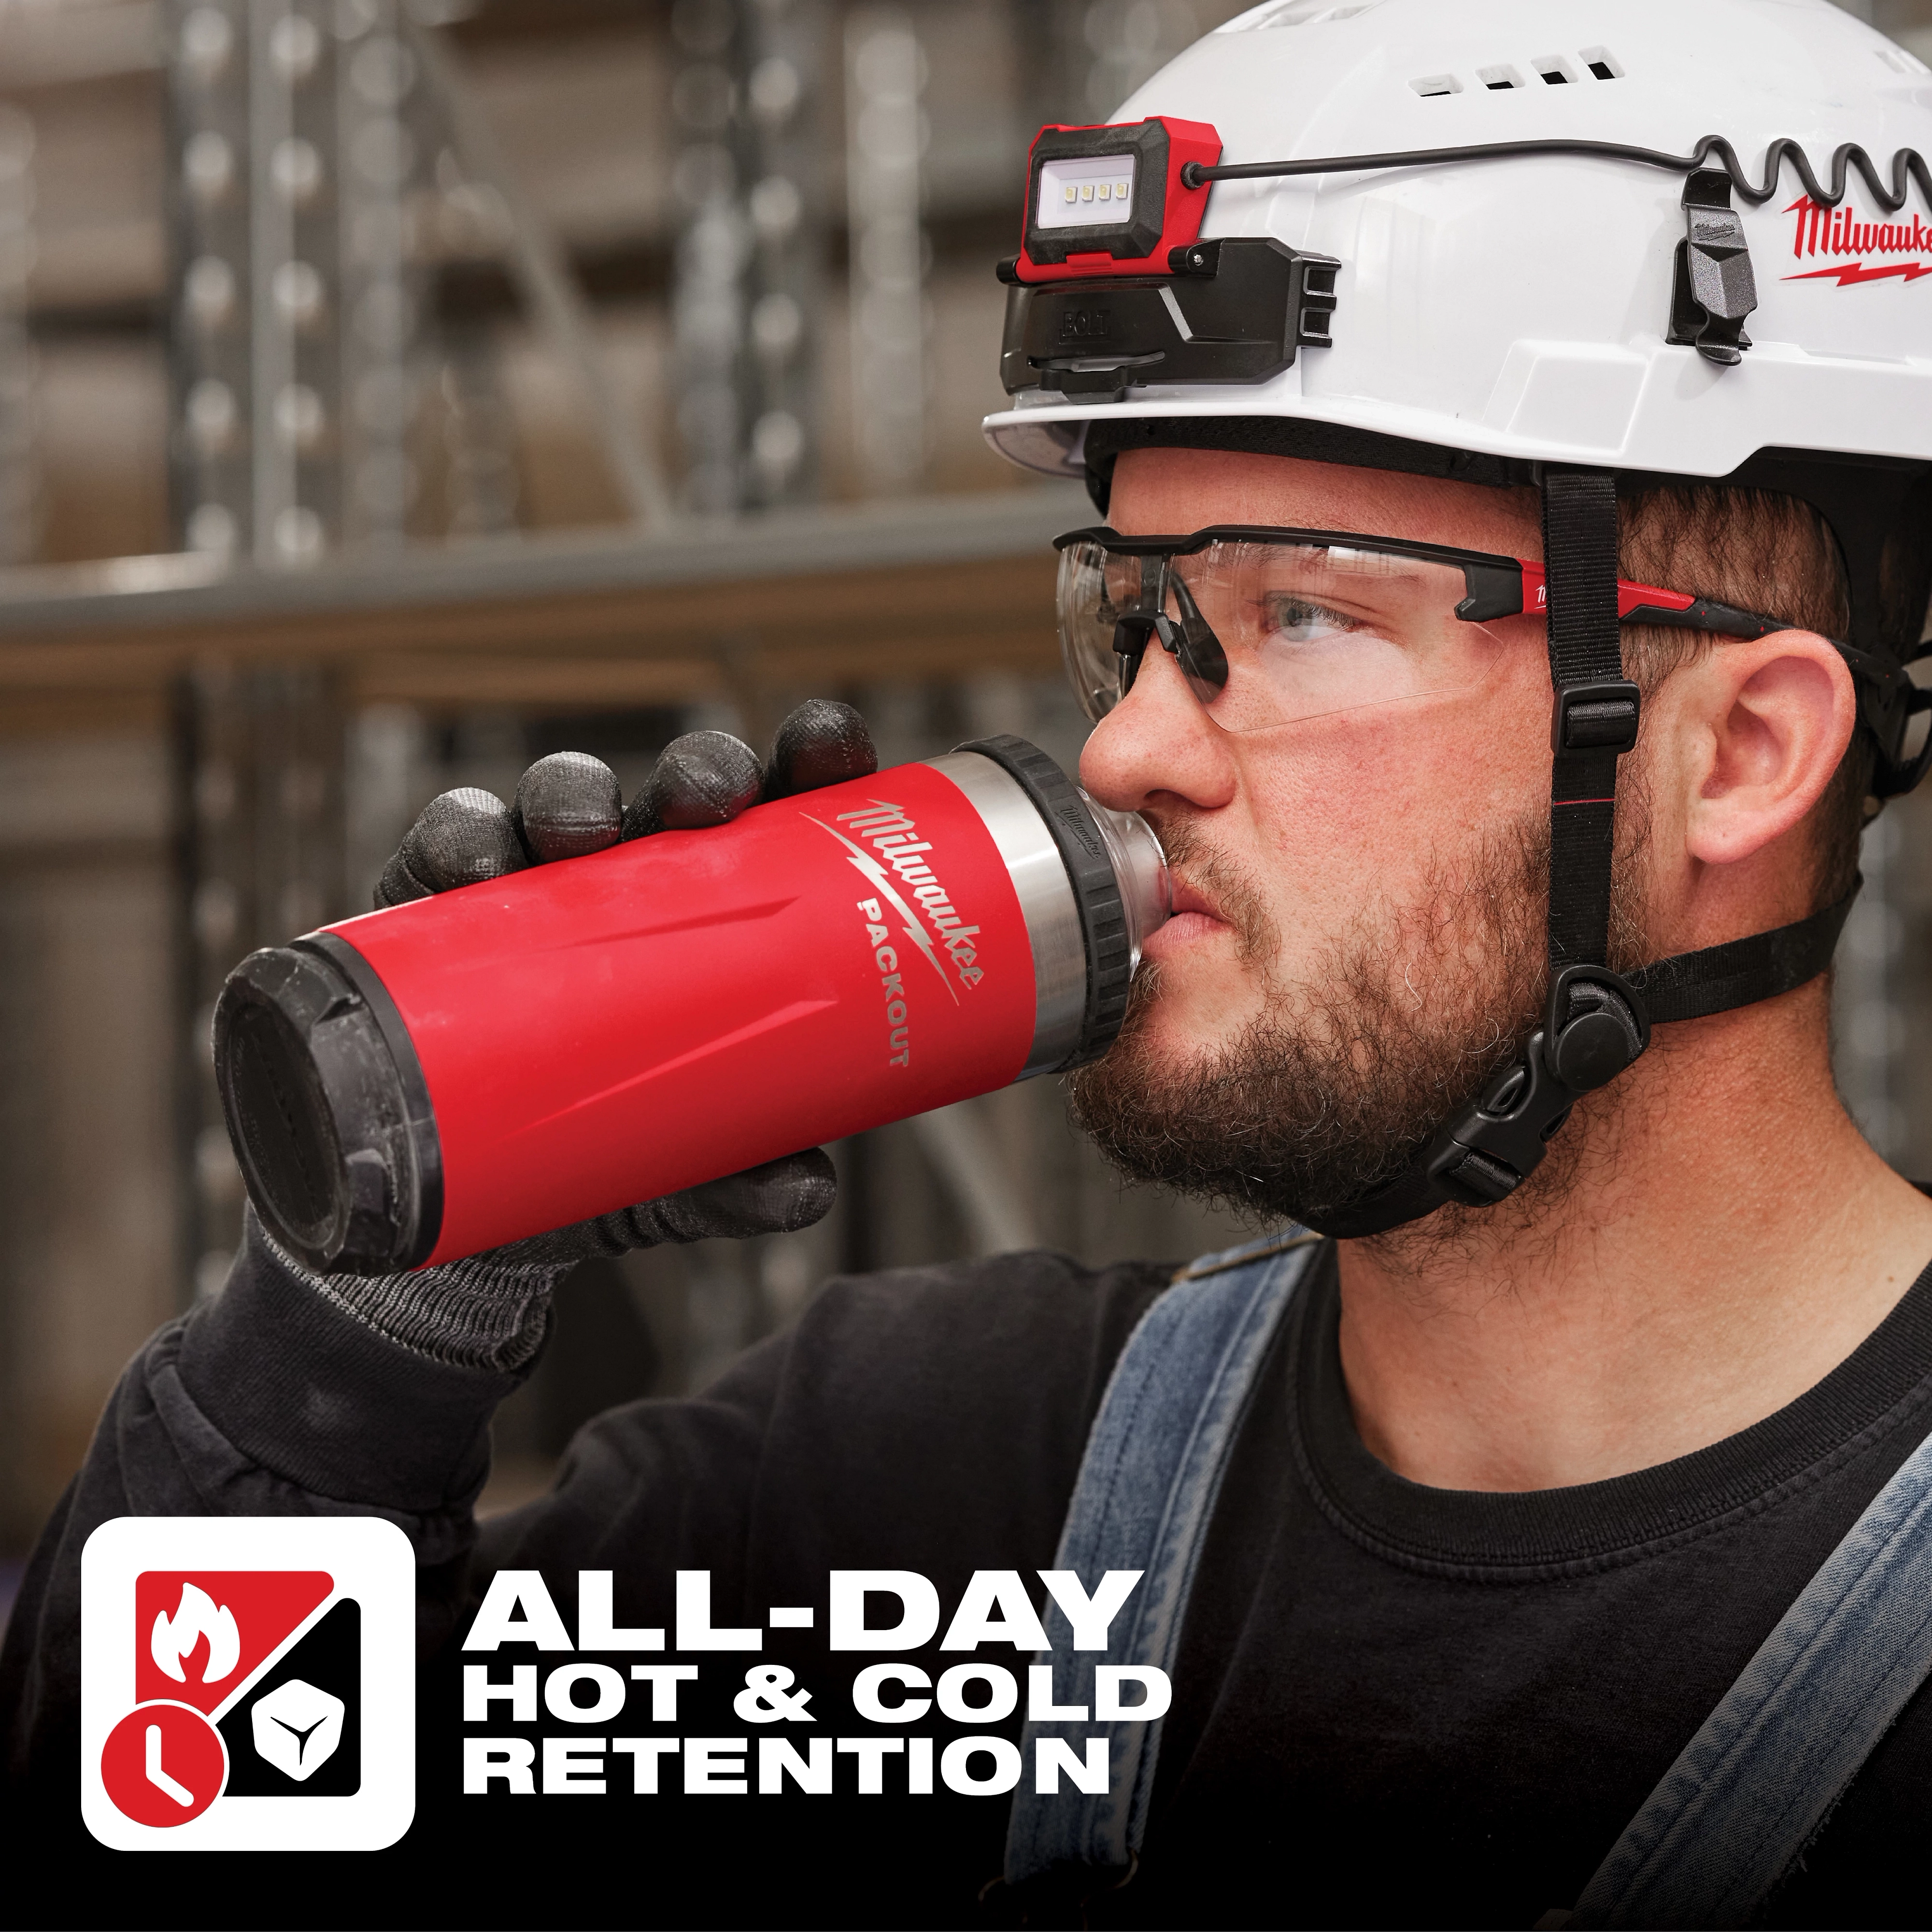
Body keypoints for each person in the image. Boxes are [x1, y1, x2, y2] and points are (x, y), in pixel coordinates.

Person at [10, 0, 1932, 1924]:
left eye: (1303, 614)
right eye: (1142, 616)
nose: (1130, 746)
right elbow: (177, 1816)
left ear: (1740, 755)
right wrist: (364, 1334)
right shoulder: (938, 1500)